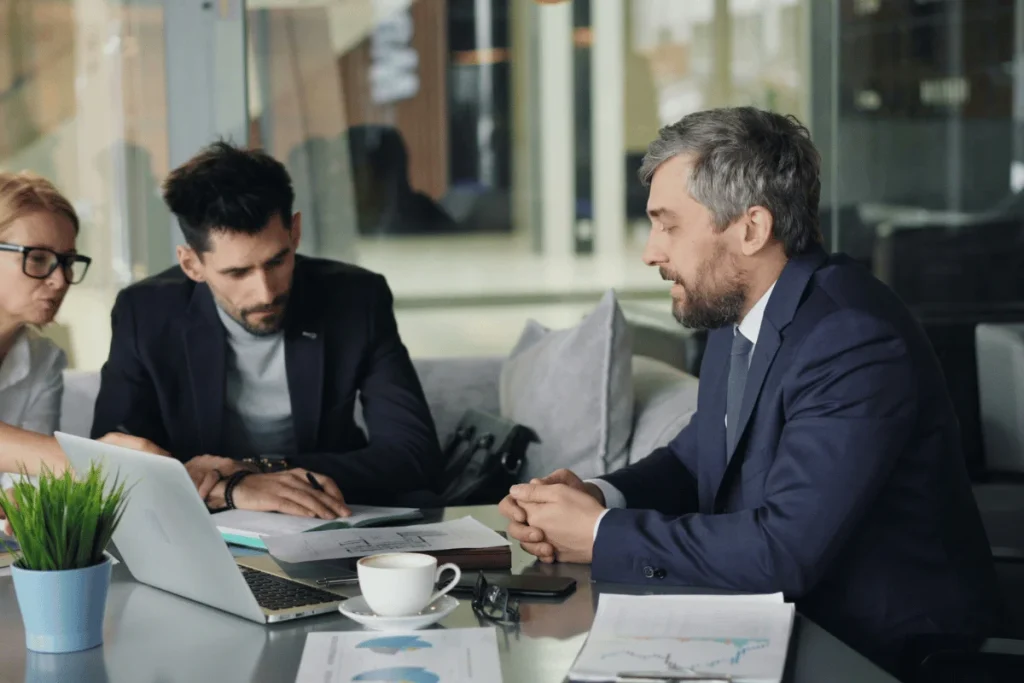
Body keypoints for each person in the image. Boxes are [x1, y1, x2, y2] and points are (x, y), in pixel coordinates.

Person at [499, 107, 1002, 673]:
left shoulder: (852, 338)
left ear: (751, 229)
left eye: (669, 225)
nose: (650, 251)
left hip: (881, 655)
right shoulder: (741, 315)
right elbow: (694, 463)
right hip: (775, 626)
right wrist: (599, 496)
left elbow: (784, 551)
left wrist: (597, 533)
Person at [92, 141, 442, 519]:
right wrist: (234, 492)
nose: (266, 291)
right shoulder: (145, 313)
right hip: (204, 521)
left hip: (325, 512)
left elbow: (413, 454)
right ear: (191, 264)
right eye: (237, 272)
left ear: (295, 232)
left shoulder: (357, 300)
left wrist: (256, 472)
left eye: (277, 261)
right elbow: (112, 456)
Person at [0, 172, 92, 490]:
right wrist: (96, 461)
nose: (60, 280)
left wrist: (18, 499)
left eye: (67, 261)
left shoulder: (46, 359)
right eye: (38, 258)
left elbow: (27, 480)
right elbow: (45, 459)